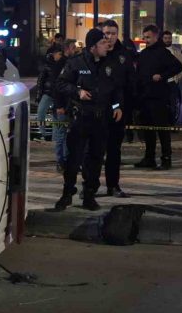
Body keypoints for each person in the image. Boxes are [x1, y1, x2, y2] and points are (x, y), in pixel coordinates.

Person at [52, 29, 123, 211]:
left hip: (101, 119)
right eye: (102, 43)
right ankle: (67, 194)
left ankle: (89, 195)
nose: (107, 45)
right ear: (93, 47)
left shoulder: (110, 63)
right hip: (81, 118)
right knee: (74, 158)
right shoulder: (76, 63)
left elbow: (115, 88)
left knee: (96, 159)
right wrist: (78, 92)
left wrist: (117, 106)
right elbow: (60, 83)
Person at [134, 25, 182, 170]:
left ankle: (166, 158)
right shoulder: (144, 54)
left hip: (159, 97)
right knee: (148, 129)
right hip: (145, 97)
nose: (146, 40)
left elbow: (177, 67)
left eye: (148, 37)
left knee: (162, 129)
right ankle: (149, 157)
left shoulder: (163, 53)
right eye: (144, 37)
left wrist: (162, 76)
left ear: (156, 36)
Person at [100, 20, 135, 198]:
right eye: (107, 33)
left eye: (113, 33)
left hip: (118, 110)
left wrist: (127, 106)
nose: (110, 37)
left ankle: (113, 185)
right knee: (94, 150)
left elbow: (130, 83)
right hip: (97, 110)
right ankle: (89, 186)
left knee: (114, 151)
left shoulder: (124, 55)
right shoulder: (96, 53)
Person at [52, 39, 78, 171]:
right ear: (67, 49)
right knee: (61, 134)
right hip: (62, 106)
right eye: (73, 48)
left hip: (68, 104)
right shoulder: (60, 65)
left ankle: (67, 160)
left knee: (67, 134)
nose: (75, 50)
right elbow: (56, 88)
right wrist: (59, 106)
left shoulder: (69, 63)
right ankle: (60, 161)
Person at [35, 45, 64, 143]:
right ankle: (42, 133)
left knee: (57, 116)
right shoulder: (47, 65)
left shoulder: (63, 64)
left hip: (58, 94)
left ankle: (55, 137)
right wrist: (39, 95)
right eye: (58, 54)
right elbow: (40, 81)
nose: (60, 55)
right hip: (48, 93)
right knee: (41, 112)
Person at [162, 31, 182, 125]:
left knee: (173, 105)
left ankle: (172, 124)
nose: (168, 40)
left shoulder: (177, 52)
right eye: (166, 38)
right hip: (161, 83)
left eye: (169, 38)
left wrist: (178, 77)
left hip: (173, 82)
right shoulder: (158, 51)